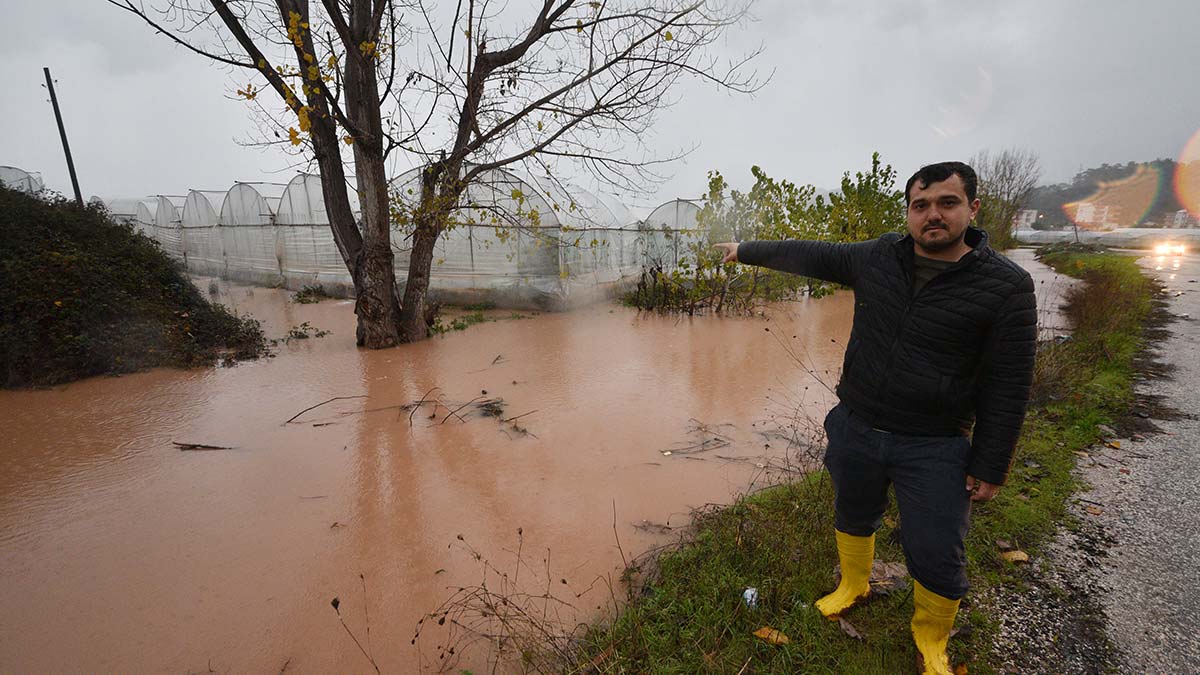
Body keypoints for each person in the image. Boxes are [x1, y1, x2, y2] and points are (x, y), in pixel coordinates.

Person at [713, 161, 1037, 674]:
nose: (933, 215)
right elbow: (811, 253)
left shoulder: (1007, 286)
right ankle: (853, 586)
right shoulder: (879, 256)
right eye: (920, 205)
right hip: (857, 425)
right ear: (908, 212)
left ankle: (932, 640)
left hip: (935, 443)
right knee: (853, 513)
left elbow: (1010, 382)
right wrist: (745, 250)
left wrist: (991, 462)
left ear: (972, 209)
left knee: (934, 547)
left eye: (946, 204)